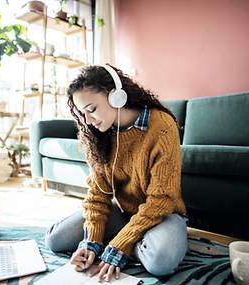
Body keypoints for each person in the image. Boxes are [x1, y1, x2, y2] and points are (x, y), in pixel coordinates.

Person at [45, 64, 188, 282]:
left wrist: (121, 244)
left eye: (91, 110)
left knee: (161, 260)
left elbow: (161, 200)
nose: (87, 121)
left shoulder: (162, 126)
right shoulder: (98, 136)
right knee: (55, 240)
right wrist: (90, 241)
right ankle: (133, 239)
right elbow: (97, 195)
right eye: (82, 114)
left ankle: (131, 239)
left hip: (163, 215)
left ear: (116, 97)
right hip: (123, 213)